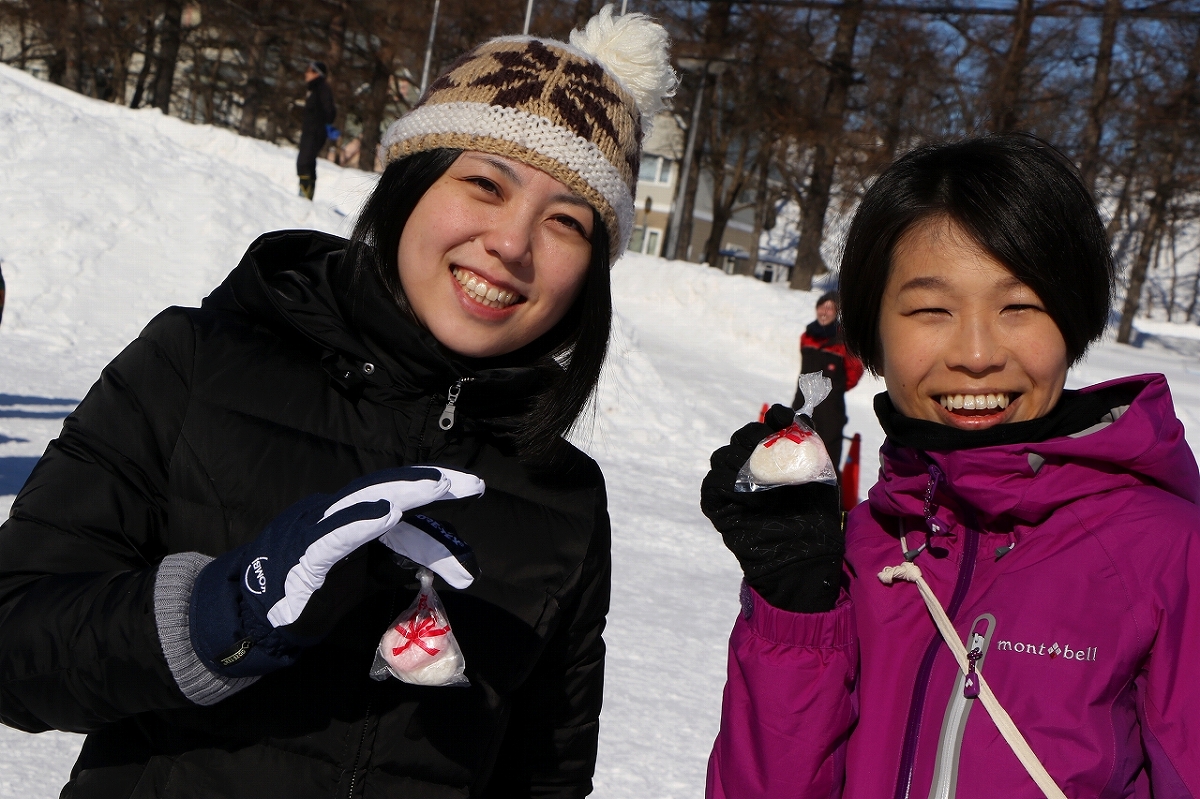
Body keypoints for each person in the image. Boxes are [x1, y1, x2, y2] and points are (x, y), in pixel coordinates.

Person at [0, 8, 675, 797]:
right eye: (485, 184)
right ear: (410, 185)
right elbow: (15, 646)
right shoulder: (197, 363)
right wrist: (221, 613)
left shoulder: (564, 496)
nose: (512, 244)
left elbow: (545, 777)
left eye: (567, 222)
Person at [701, 135, 1200, 798]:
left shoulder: (1167, 553)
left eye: (1018, 306)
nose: (975, 353)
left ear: (1073, 316)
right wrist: (796, 610)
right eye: (931, 309)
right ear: (874, 329)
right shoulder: (861, 551)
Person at [790, 290, 862, 477]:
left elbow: (855, 370)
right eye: (822, 306)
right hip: (802, 401)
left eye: (830, 308)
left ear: (836, 313)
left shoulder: (843, 341)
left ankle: (829, 496)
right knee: (795, 444)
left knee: (827, 452)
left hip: (831, 408)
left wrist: (835, 389)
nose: (825, 311)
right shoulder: (807, 336)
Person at [297, 60, 336, 200]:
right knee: (307, 162)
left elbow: (330, 111)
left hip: (315, 132)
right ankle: (306, 196)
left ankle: (305, 197)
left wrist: (321, 124)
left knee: (304, 162)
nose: (306, 73)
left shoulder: (322, 88)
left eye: (309, 70)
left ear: (317, 73)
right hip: (311, 131)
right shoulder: (314, 89)